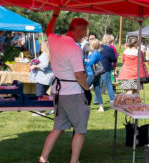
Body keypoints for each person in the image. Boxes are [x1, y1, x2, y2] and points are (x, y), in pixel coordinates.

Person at [39, 11, 91, 163]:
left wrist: (55, 15)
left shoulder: (54, 40)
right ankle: (74, 161)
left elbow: (48, 30)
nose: (84, 36)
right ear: (79, 30)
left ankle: (43, 158)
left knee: (58, 128)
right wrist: (87, 90)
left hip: (58, 91)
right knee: (80, 130)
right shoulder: (74, 48)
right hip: (72, 93)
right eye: (84, 32)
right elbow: (79, 75)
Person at [85, 38, 104, 112]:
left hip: (91, 73)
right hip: (96, 73)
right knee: (97, 89)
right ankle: (101, 106)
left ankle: (84, 104)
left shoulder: (94, 53)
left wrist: (88, 57)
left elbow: (90, 62)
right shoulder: (98, 52)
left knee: (84, 88)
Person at [100, 35, 117, 102]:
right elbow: (114, 59)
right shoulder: (109, 49)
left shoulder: (99, 47)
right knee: (109, 84)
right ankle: (112, 99)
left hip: (97, 67)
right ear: (110, 41)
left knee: (97, 84)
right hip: (105, 68)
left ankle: (96, 100)